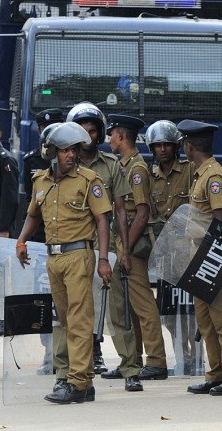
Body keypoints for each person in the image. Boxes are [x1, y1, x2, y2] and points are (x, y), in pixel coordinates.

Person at [15, 121, 113, 404]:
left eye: (73, 150)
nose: (71, 155)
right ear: (51, 153)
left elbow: (102, 220)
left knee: (80, 321)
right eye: (64, 150)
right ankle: (81, 379)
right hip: (53, 258)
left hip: (78, 256)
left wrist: (103, 259)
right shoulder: (41, 182)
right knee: (67, 322)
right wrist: (22, 241)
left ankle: (77, 384)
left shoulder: (89, 180)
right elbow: (33, 215)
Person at [0, 109, 65, 339]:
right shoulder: (32, 160)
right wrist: (22, 239)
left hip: (69, 240)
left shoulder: (74, 162)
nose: (49, 132)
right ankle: (47, 348)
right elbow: (32, 206)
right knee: (40, 292)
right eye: (43, 128)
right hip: (40, 238)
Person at [103, 114, 169, 391]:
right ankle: (133, 360)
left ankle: (156, 360)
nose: (109, 140)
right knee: (127, 305)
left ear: (119, 136)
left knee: (143, 303)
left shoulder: (136, 169)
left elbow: (142, 213)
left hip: (131, 241)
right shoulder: (124, 166)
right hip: (123, 239)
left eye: (111, 135)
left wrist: (126, 249)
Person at [179, 119, 222, 396]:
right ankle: (215, 374)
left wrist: (212, 260)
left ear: (189, 146)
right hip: (199, 252)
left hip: (212, 253)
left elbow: (221, 218)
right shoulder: (201, 173)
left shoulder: (214, 176)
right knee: (205, 319)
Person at [68, 102, 124, 375]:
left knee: (104, 304)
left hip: (105, 245)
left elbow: (120, 210)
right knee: (76, 304)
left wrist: (120, 248)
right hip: (73, 245)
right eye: (81, 130)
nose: (87, 136)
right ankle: (74, 357)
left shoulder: (111, 165)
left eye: (92, 131)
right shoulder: (64, 165)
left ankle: (99, 352)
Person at [146, 120, 199, 375]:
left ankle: (194, 357)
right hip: (165, 253)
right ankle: (182, 355)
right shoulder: (149, 176)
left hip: (188, 251)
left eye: (168, 144)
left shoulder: (190, 171)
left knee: (191, 310)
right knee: (167, 312)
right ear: (152, 148)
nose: (163, 149)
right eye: (158, 145)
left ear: (176, 146)